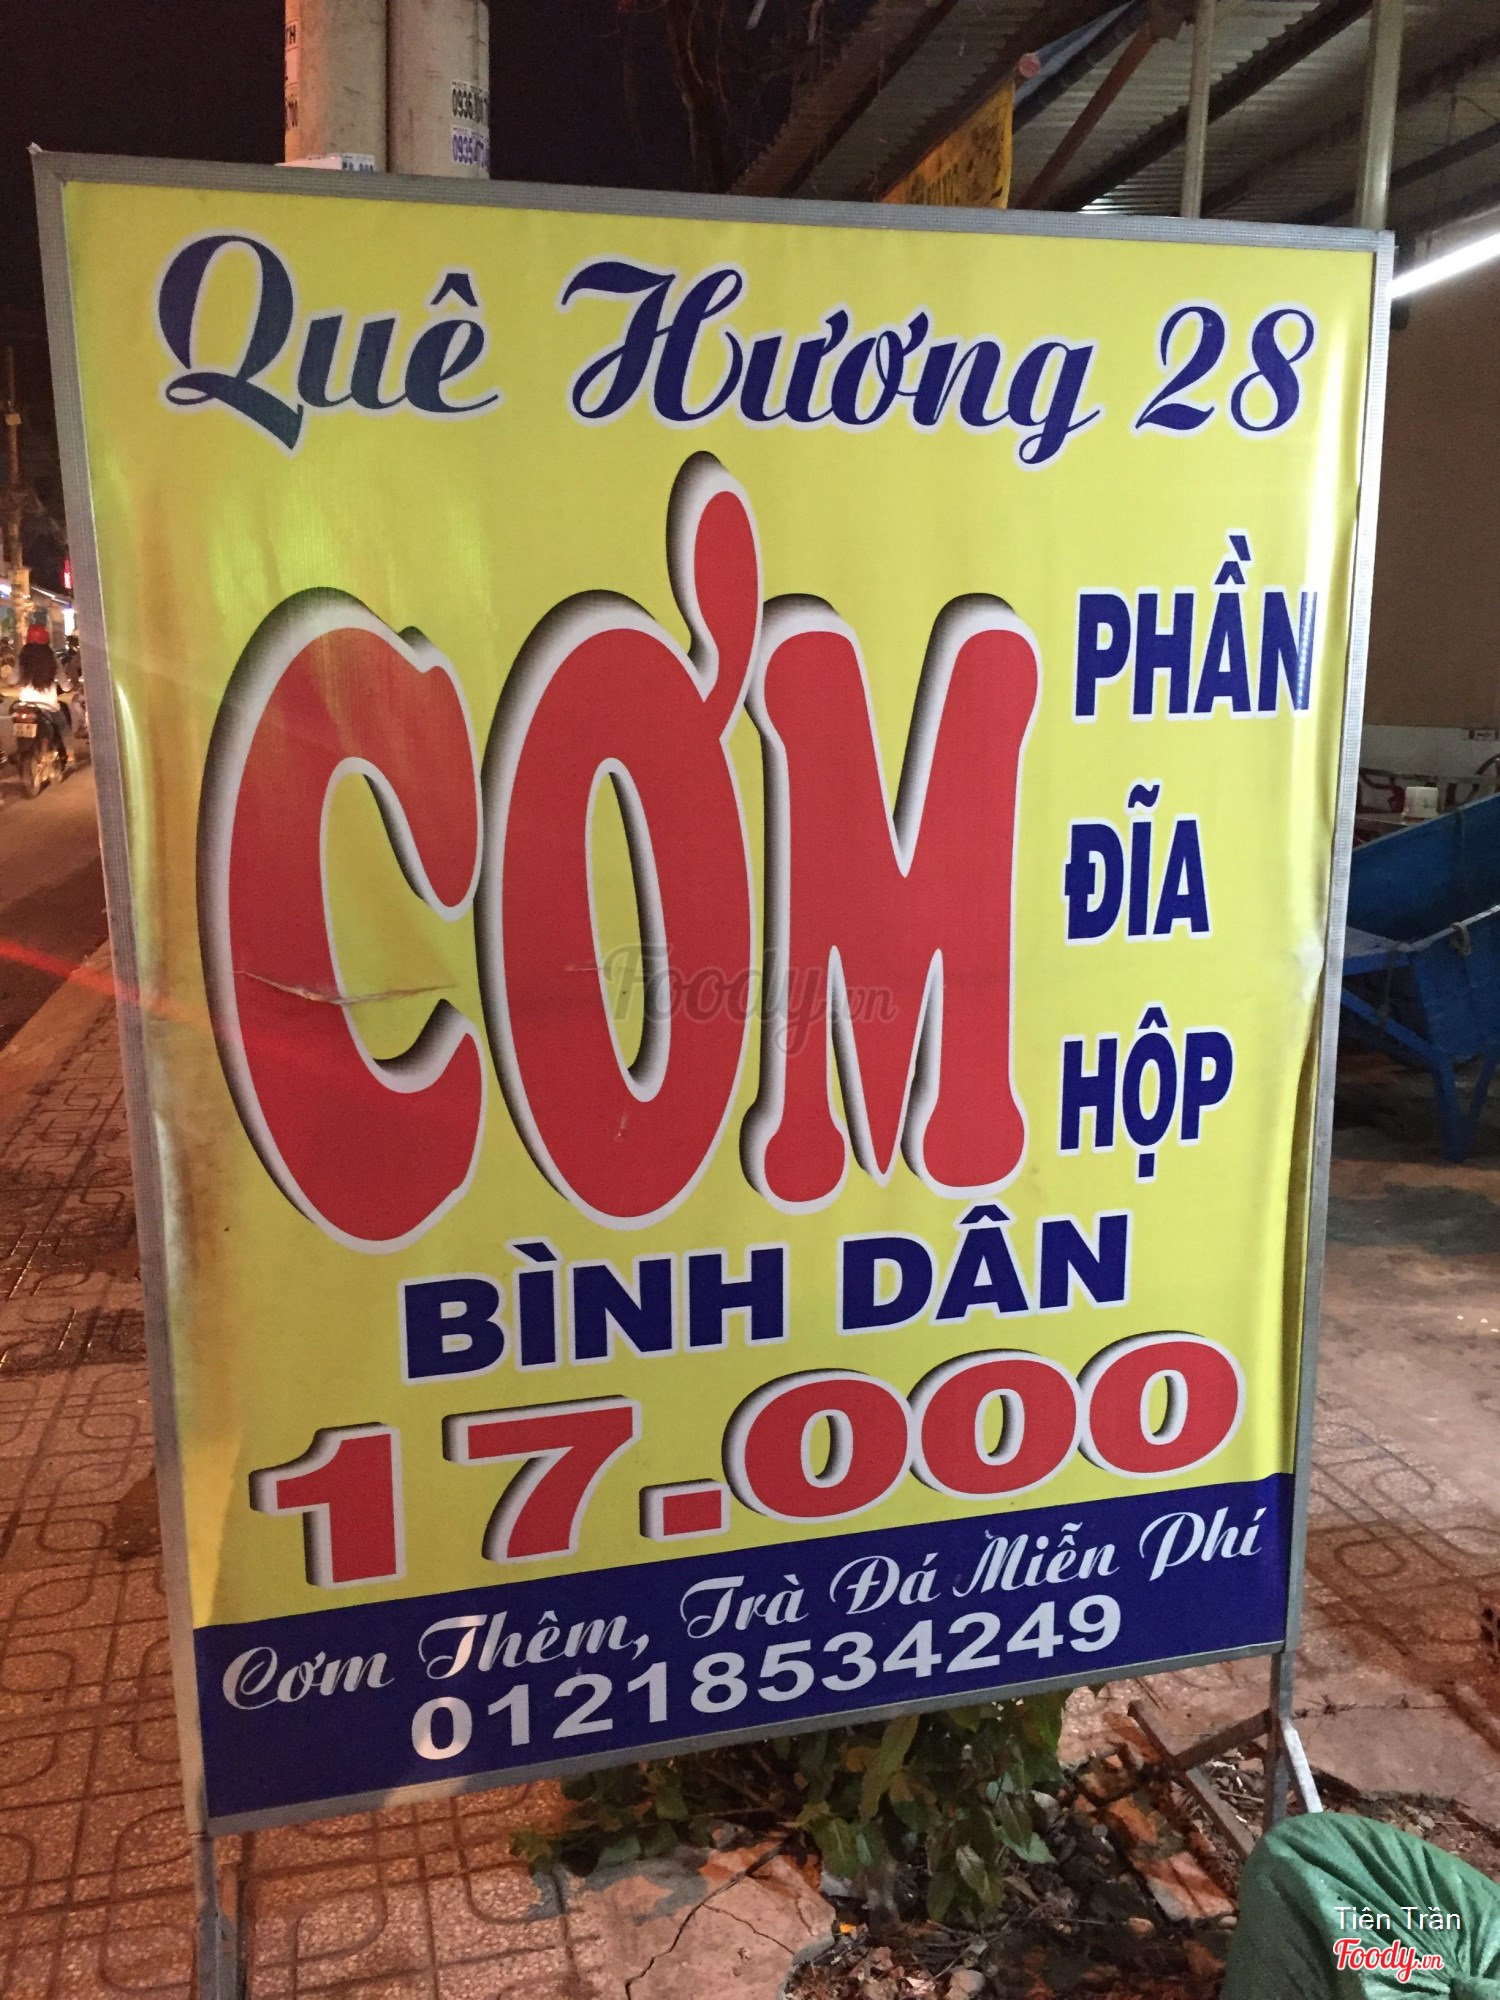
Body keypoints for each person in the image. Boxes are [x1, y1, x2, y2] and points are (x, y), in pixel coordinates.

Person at [12, 622, 70, 770]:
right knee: (63, 727)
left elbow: (12, 679)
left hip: (26, 704)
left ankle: (20, 751)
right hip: (48, 705)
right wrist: (69, 688)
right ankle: (70, 756)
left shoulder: (22, 658)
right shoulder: (52, 658)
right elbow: (64, 684)